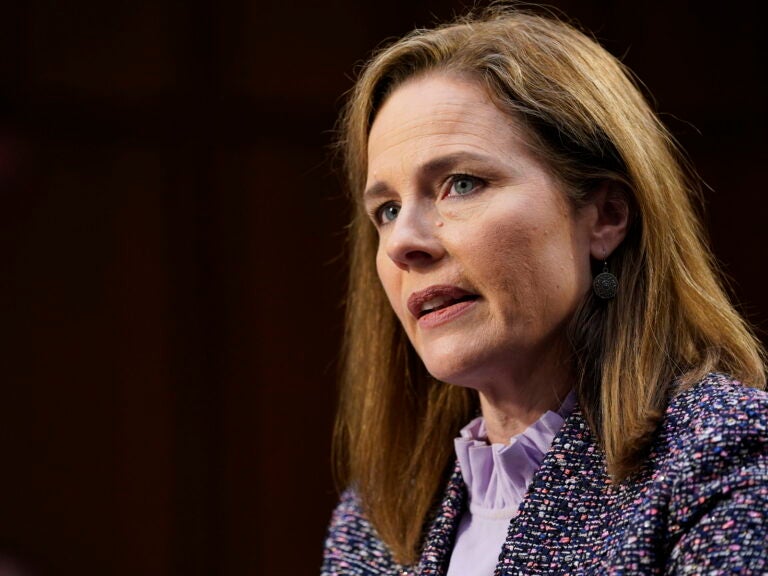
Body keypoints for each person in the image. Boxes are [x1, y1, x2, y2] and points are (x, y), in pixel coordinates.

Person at [321, 6, 768, 575]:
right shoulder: (378, 521)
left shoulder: (724, 456)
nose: (402, 242)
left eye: (461, 184)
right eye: (386, 209)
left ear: (604, 216)